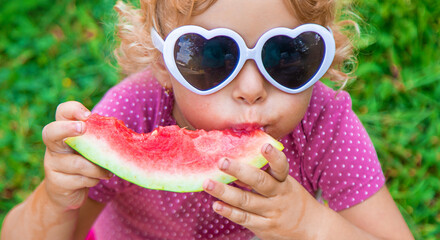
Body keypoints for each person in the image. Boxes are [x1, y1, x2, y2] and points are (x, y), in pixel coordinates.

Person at [1, 0, 414, 239]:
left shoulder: (325, 122)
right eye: (213, 56)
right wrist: (55, 200)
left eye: (288, 54)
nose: (251, 89)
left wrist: (310, 223)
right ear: (162, 62)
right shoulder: (133, 109)